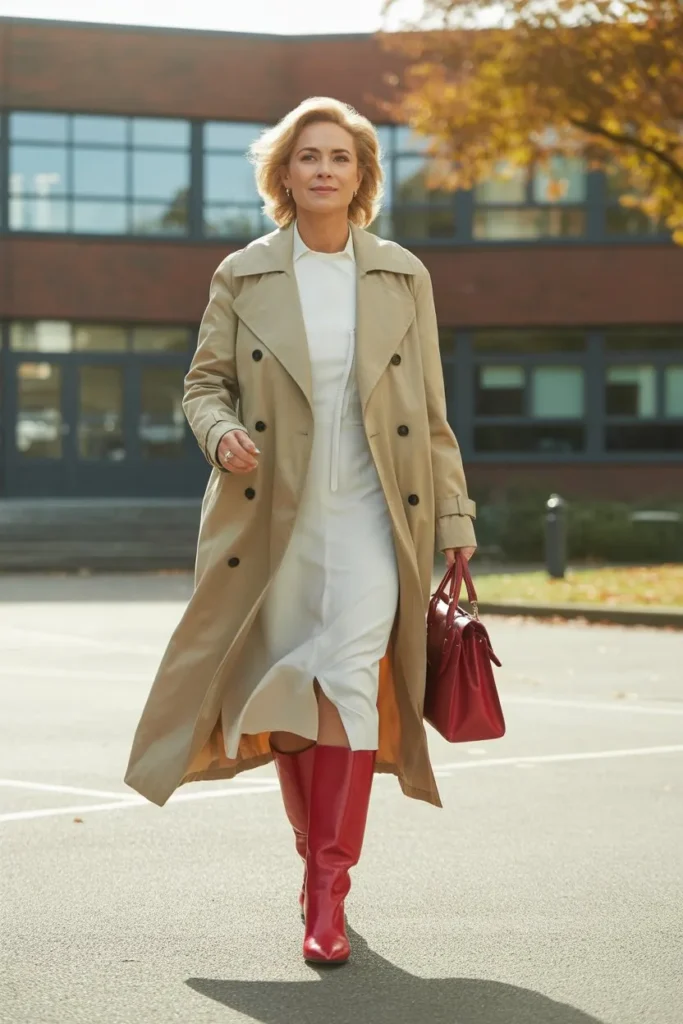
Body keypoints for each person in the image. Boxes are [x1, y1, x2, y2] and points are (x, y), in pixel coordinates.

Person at [124, 96, 477, 965]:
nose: (323, 170)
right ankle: (309, 855)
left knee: (351, 679)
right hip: (271, 518)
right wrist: (219, 431)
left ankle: (328, 885)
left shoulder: (401, 274)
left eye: (340, 158)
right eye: (307, 157)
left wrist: (455, 513)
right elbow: (202, 386)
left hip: (373, 513)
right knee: (286, 688)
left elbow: (430, 411)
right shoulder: (244, 273)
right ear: (283, 174)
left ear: (361, 177)